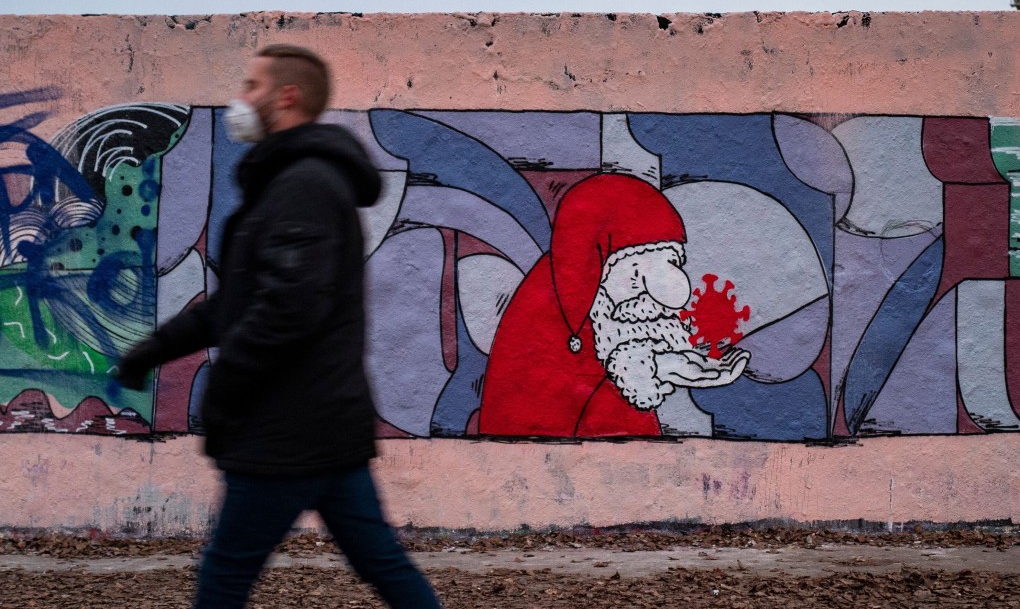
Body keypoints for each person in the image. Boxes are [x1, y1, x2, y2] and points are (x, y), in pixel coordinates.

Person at [116, 44, 442, 609]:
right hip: (322, 425)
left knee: (225, 574)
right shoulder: (289, 182)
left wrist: (225, 386)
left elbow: (288, 309)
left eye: (252, 86)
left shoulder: (303, 186)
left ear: (287, 96)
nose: (240, 98)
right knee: (381, 564)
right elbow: (237, 304)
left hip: (284, 430)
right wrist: (152, 350)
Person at [478, 174, 749, 437]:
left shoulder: (607, 312)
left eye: (673, 263)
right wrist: (657, 366)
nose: (655, 301)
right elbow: (549, 396)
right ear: (600, 260)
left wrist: (660, 364)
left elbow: (615, 364)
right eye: (636, 274)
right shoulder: (554, 308)